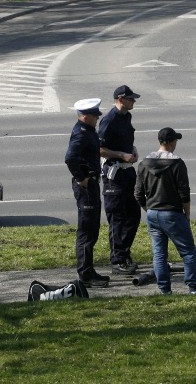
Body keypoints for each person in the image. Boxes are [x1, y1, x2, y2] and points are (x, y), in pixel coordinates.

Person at [134, 127, 196, 295]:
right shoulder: (177, 163)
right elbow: (184, 193)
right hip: (172, 213)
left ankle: (164, 289)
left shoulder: (144, 164)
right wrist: (187, 214)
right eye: (176, 141)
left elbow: (137, 193)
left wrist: (148, 208)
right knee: (188, 252)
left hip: (153, 213)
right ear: (171, 142)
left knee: (159, 254)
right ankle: (193, 287)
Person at [64, 98, 110, 288]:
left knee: (92, 230)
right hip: (86, 186)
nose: (97, 119)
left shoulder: (88, 130)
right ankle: (85, 274)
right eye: (94, 116)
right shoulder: (81, 133)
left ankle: (89, 270)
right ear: (84, 116)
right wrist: (81, 178)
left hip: (90, 184)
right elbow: (70, 158)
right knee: (86, 230)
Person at [98, 85, 142, 276]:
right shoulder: (109, 120)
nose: (134, 101)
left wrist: (132, 149)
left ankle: (124, 253)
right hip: (114, 175)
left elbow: (126, 138)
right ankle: (118, 260)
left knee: (133, 215)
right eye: (131, 99)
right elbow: (99, 149)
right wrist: (121, 155)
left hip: (127, 172)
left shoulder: (126, 116)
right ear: (120, 99)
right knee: (117, 218)